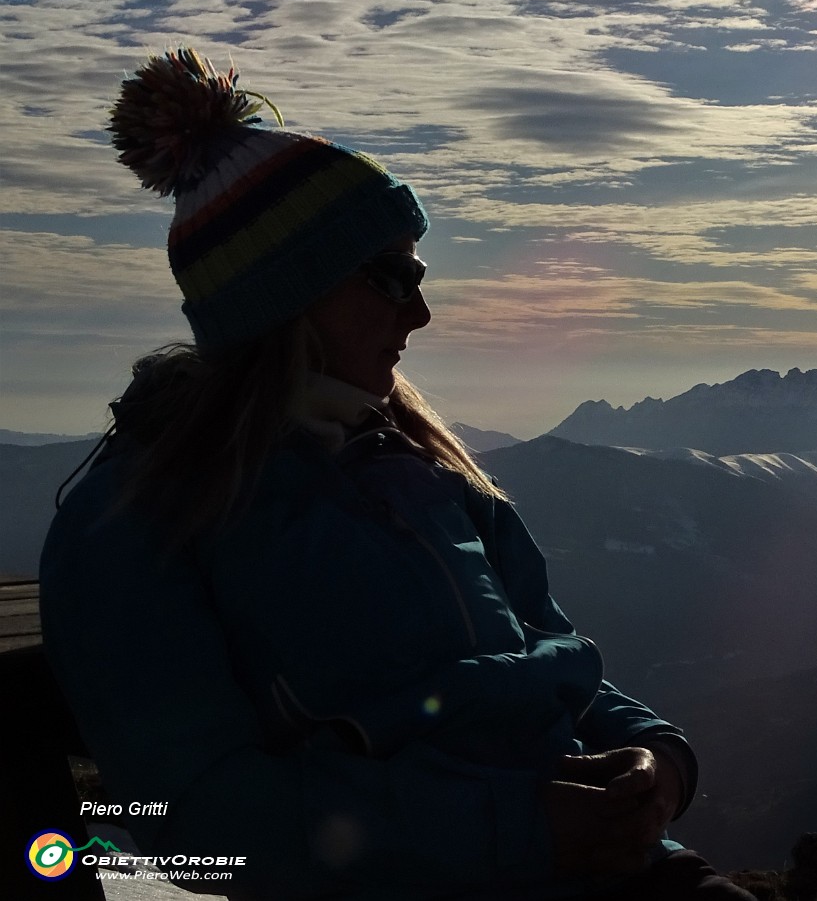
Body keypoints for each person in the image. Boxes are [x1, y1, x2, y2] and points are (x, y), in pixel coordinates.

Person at [40, 48, 756, 901]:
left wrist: (660, 761)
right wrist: (517, 829)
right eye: (390, 276)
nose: (418, 311)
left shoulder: (423, 465)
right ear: (283, 295)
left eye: (418, 274)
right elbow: (192, 813)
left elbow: (553, 657)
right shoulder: (139, 517)